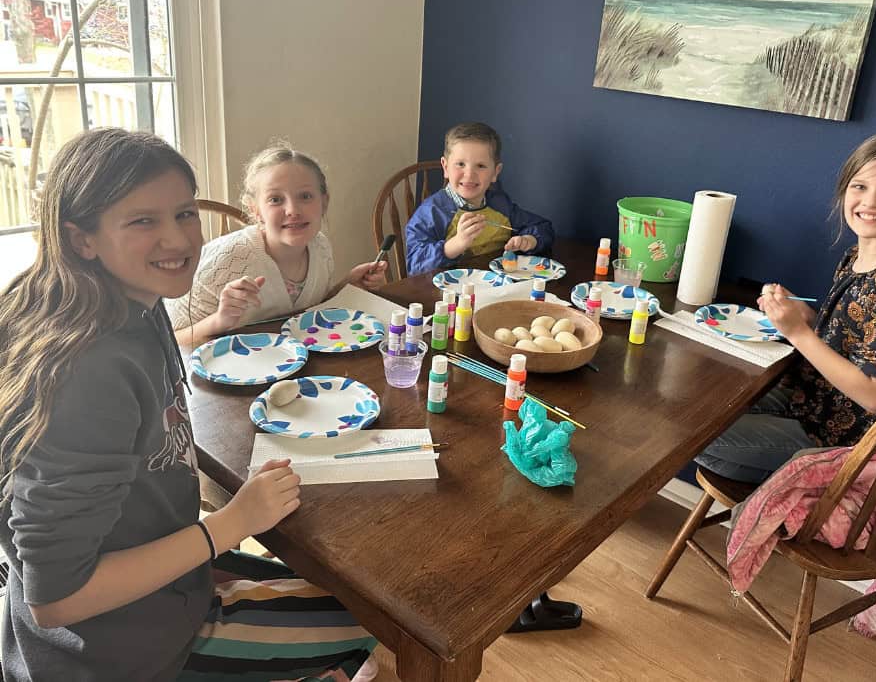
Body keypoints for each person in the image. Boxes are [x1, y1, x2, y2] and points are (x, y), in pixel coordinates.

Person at [0, 128, 378, 681]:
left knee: (352, 590)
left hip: (168, 577)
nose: (178, 240)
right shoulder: (85, 373)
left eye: (184, 214)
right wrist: (232, 522)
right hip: (117, 650)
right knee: (373, 620)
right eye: (143, 221)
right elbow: (58, 598)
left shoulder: (135, 300)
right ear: (82, 239)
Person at [696, 133, 876, 484]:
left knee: (690, 436)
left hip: (837, 442)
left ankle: (797, 485)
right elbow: (854, 339)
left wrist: (798, 332)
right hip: (808, 403)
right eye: (860, 186)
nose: (871, 201)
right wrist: (807, 316)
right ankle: (780, 485)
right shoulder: (858, 256)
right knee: (697, 411)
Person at [166, 142, 387, 339]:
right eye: (275, 199)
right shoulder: (225, 263)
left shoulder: (320, 247)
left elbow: (312, 309)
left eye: (305, 196)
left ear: (324, 202)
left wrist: (348, 285)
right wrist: (220, 320)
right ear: (256, 210)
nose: (292, 210)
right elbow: (172, 340)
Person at [405, 122, 554, 274]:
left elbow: (543, 227)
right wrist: (455, 244)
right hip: (448, 287)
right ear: (445, 167)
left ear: (495, 172)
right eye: (460, 164)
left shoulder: (500, 204)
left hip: (496, 283)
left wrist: (529, 240)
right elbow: (415, 266)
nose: (469, 174)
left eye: (481, 166)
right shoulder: (431, 212)